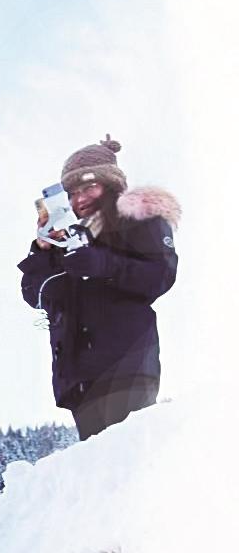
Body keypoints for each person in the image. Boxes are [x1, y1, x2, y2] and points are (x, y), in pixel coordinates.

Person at [19, 136, 179, 441]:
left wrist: (103, 265)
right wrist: (41, 249)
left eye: (88, 187)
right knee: (100, 469)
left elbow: (160, 276)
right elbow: (33, 295)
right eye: (73, 192)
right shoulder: (63, 238)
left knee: (127, 458)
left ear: (111, 185)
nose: (80, 199)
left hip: (125, 364)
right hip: (77, 375)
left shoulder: (137, 220)